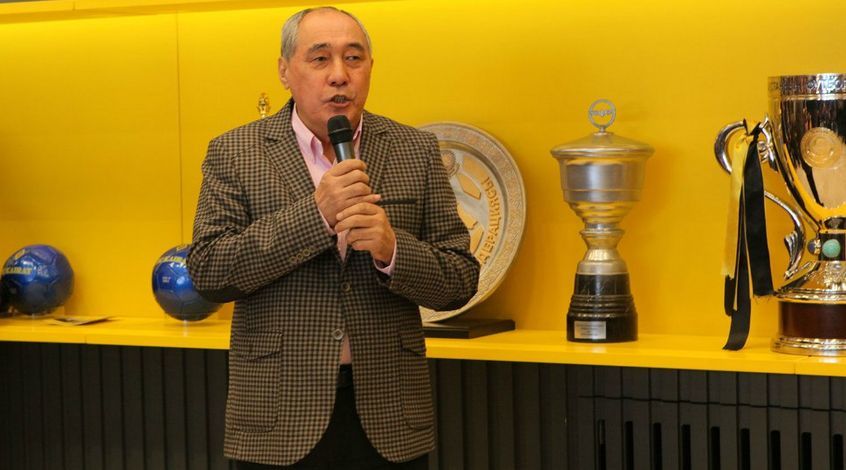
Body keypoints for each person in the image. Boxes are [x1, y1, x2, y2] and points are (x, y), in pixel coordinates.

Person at [187, 6, 480, 469]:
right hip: (278, 419)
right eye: (320, 58)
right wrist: (315, 216)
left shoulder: (415, 149)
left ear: (370, 68)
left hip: (389, 416)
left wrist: (392, 250)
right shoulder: (235, 152)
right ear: (285, 71)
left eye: (354, 58)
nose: (340, 75)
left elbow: (460, 280)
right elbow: (209, 271)